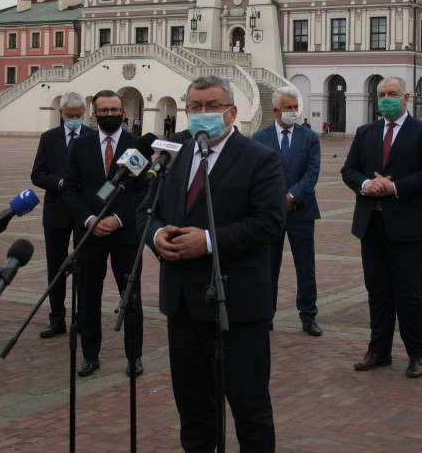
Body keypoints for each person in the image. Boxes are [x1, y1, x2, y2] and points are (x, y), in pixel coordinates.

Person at [141, 75, 285, 451]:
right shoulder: (173, 154)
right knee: (194, 412)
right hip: (182, 305)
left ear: (232, 112)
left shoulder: (260, 158)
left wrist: (206, 241)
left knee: (250, 412)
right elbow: (146, 211)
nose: (202, 114)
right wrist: (156, 236)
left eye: (212, 106)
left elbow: (269, 221)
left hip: (234, 306)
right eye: (195, 107)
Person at [341, 76, 422, 378]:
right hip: (371, 224)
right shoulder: (365, 132)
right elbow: (349, 169)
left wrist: (394, 187)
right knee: (377, 293)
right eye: (381, 94)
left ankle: (416, 355)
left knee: (409, 294)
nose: (385, 98)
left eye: (392, 94)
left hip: (409, 227)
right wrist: (365, 184)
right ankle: (379, 351)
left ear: (406, 97)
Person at [62, 90, 148, 377]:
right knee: (88, 297)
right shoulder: (80, 145)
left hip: (126, 235)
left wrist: (119, 219)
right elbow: (71, 188)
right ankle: (90, 355)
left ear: (123, 113)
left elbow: (143, 192)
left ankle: (133, 356)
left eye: (115, 110)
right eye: (104, 110)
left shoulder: (137, 146)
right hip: (90, 234)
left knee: (130, 296)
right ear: (94, 113)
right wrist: (88, 220)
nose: (110, 115)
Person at [253, 86, 323, 336]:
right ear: (276, 110)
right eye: (288, 108)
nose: (293, 112)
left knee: (305, 266)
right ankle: (265, 314)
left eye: (296, 107)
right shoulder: (259, 139)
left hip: (301, 211)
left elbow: (311, 173)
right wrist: (276, 200)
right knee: (267, 266)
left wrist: (292, 196)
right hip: (270, 214)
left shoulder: (309, 137)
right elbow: (256, 176)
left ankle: (308, 315)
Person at [30, 92, 94, 338]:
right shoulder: (49, 138)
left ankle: (80, 318)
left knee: (83, 267)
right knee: (55, 268)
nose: (74, 119)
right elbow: (37, 174)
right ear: (61, 113)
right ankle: (57, 318)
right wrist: (60, 183)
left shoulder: (91, 136)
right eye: (70, 116)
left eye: (78, 116)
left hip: (83, 212)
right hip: (56, 211)